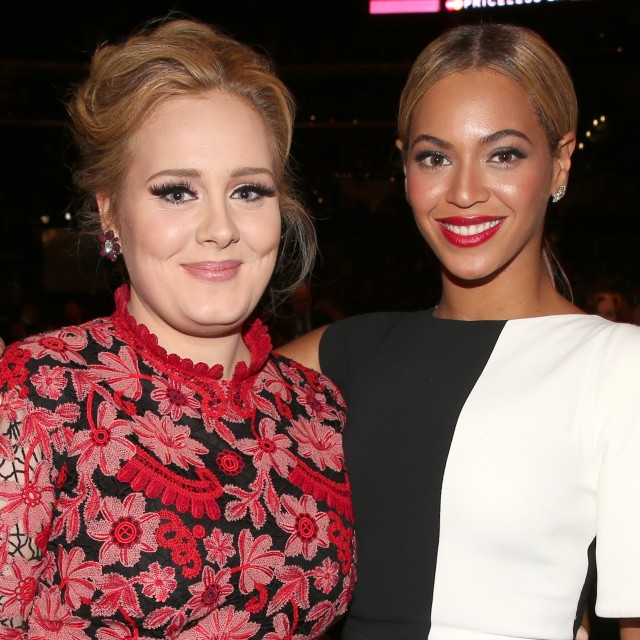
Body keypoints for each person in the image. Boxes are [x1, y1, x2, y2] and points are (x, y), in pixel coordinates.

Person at [279, 23, 640, 640]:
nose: (465, 192)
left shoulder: (618, 366)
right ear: (405, 169)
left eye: (504, 154)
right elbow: (170, 403)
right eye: (435, 158)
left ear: (560, 162)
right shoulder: (345, 352)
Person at [0, 19, 354, 639]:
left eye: (249, 191)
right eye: (176, 192)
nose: (220, 228)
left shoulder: (321, 411)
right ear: (111, 212)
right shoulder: (37, 394)